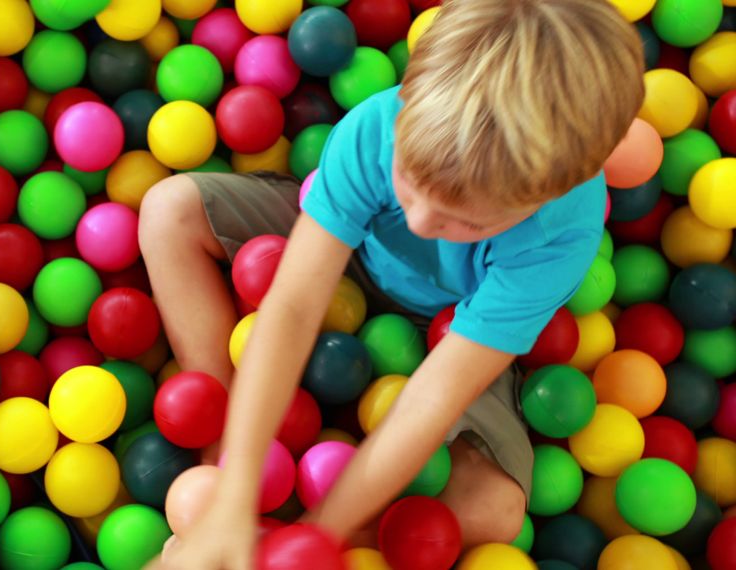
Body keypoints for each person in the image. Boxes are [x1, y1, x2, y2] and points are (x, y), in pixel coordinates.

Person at [137, 0, 645, 567]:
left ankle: (261, 531)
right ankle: (221, 446)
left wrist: (307, 541)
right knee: (169, 209)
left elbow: (433, 395)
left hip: (450, 324)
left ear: (545, 195)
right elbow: (293, 306)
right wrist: (232, 492)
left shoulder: (558, 235)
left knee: (494, 510)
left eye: (468, 222)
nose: (423, 223)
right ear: (411, 94)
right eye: (408, 180)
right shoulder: (379, 128)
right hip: (345, 255)